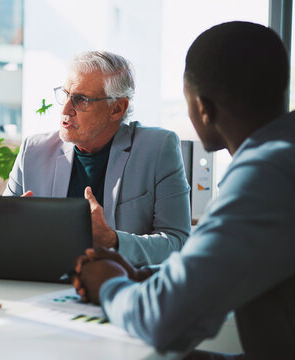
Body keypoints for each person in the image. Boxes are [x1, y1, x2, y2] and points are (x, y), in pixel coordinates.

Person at [74, 21, 295, 358]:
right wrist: (143, 277)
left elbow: (163, 320)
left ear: (203, 108)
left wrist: (107, 282)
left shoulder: (266, 176)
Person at [4, 51, 190, 266]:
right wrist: (12, 227)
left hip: (121, 286)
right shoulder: (33, 151)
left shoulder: (157, 149)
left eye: (81, 100)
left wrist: (112, 241)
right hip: (46, 283)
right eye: (65, 94)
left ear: (117, 109)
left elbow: (178, 243)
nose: (66, 109)